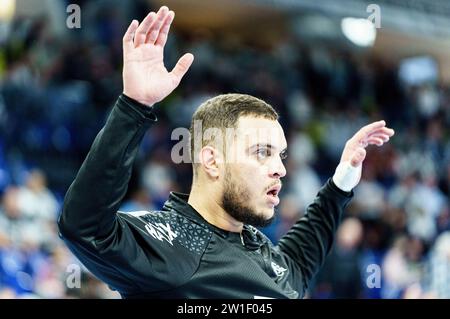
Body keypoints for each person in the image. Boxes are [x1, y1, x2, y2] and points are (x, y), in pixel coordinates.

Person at [57, 6, 394, 299]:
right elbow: (83, 228)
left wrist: (342, 182)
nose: (280, 169)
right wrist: (134, 105)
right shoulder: (171, 245)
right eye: (262, 152)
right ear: (212, 160)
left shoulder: (268, 258)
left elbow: (300, 260)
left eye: (281, 155)